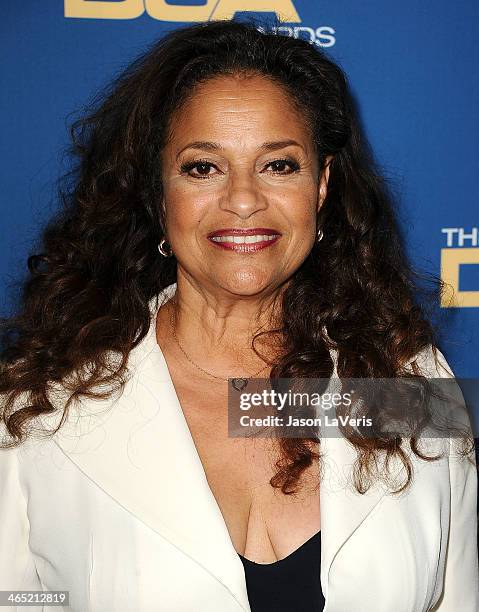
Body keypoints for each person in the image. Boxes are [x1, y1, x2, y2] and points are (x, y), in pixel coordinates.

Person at [0, 18, 477, 612]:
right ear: (156, 193)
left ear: (322, 186)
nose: (245, 200)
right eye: (203, 167)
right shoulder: (37, 410)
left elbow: (457, 597)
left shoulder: (412, 383)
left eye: (279, 165)